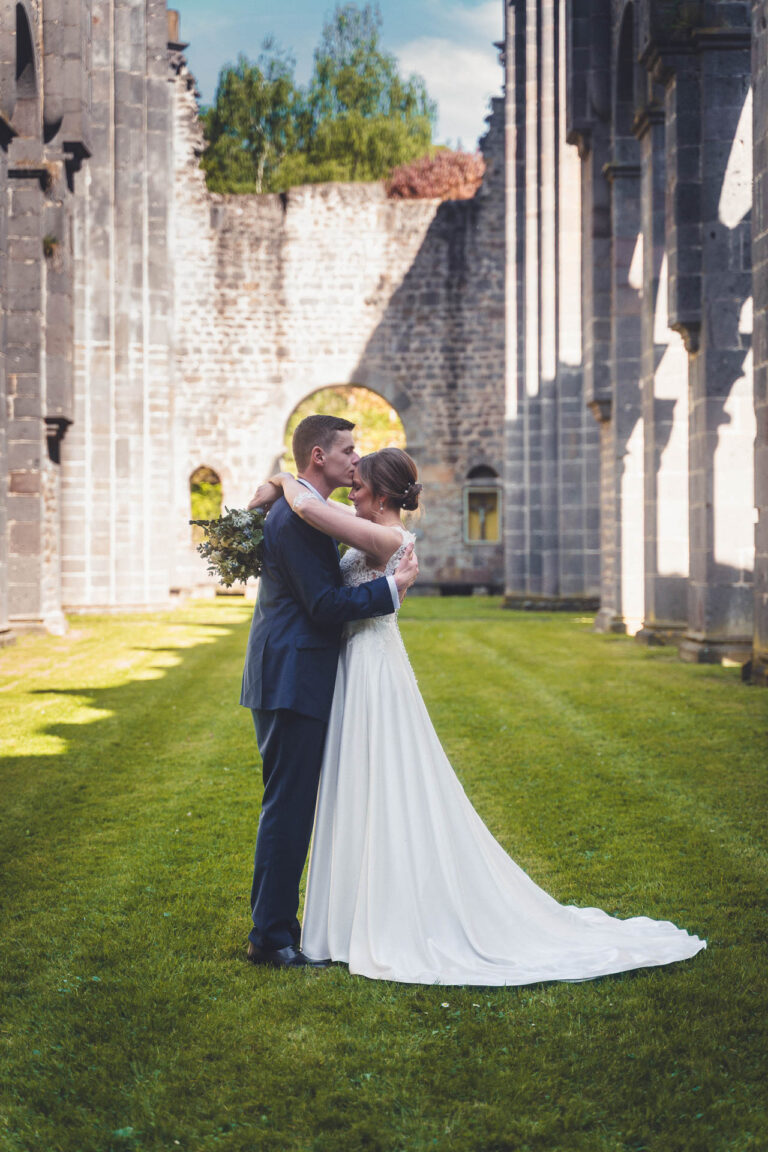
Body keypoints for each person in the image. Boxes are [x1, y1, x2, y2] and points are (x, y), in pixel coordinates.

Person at [252, 446, 706, 985]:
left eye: (360, 481)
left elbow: (310, 513)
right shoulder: (365, 525)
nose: (352, 485)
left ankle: (379, 911)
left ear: (382, 493)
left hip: (372, 669)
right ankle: (344, 915)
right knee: (353, 785)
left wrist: (283, 479)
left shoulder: (391, 538)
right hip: (351, 664)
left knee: (381, 783)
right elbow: (320, 524)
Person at [240, 416, 418, 969]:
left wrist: (278, 482)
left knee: (294, 805)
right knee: (289, 809)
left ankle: (286, 928)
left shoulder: (309, 511)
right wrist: (392, 589)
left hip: (302, 671)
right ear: (319, 456)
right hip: (294, 674)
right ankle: (271, 938)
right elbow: (321, 606)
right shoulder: (297, 519)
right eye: (347, 450)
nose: (354, 460)